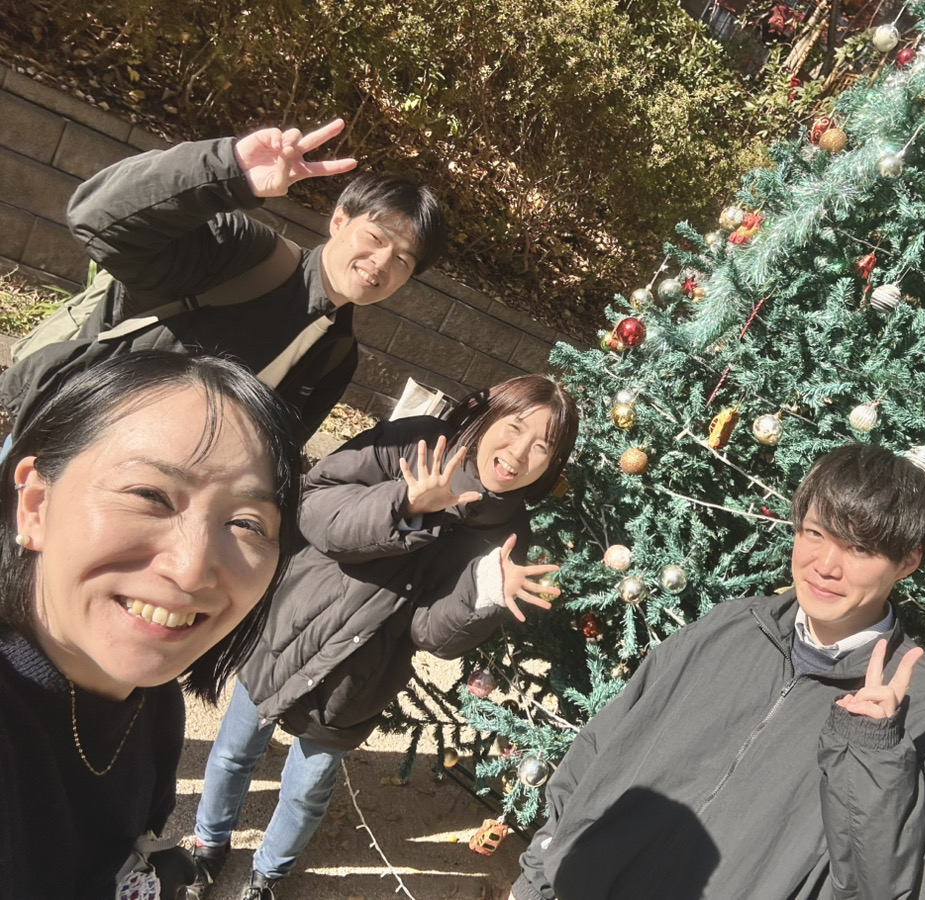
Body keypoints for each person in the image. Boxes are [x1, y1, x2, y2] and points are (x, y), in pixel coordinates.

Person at [510, 443, 925, 900]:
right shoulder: (732, 626)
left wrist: (875, 759)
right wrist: (539, 875)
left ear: (906, 561)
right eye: (815, 533)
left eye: (859, 548)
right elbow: (604, 745)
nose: (826, 565)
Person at [189, 374, 580, 900]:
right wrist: (406, 503)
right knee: (233, 752)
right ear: (489, 418)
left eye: (542, 447)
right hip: (291, 632)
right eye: (514, 427)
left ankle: (267, 874)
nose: (519, 453)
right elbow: (313, 507)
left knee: (306, 790)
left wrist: (483, 592)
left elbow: (431, 634)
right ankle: (209, 844)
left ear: (551, 465)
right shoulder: (413, 443)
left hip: (362, 674)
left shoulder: (508, 539)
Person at [0, 351, 303, 900]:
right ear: (36, 504)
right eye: (150, 495)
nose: (191, 569)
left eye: (246, 523)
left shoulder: (157, 705)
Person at [0, 117, 446, 446]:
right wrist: (227, 168)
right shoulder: (241, 252)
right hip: (58, 435)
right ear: (339, 221)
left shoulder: (337, 354)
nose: (381, 262)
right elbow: (97, 219)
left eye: (403, 260)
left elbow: (276, 454)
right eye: (376, 237)